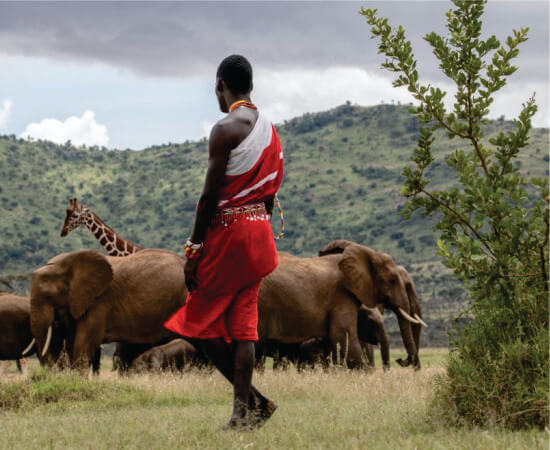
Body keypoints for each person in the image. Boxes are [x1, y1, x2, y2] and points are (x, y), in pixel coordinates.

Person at [164, 54, 284, 429]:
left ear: (221, 85)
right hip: (260, 237)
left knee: (192, 323)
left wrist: (194, 249)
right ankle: (244, 413)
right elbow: (269, 194)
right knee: (245, 328)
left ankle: (253, 401)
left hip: (228, 237)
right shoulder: (270, 129)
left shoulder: (225, 129)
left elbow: (208, 196)